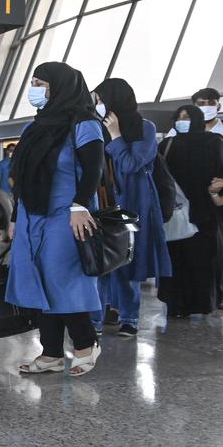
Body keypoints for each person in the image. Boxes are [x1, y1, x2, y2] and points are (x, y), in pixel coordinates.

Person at [6, 62, 103, 377]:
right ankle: (50, 352)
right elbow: (21, 175)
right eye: (32, 82)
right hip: (32, 213)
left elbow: (93, 169)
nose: (34, 89)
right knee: (38, 279)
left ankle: (86, 343)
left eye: (40, 83)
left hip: (67, 212)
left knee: (63, 279)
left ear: (59, 86)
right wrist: (14, 215)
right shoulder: (35, 125)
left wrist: (80, 205)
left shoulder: (84, 123)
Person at [91, 78, 172, 337]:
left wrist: (116, 136)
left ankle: (129, 318)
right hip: (101, 203)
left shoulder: (144, 128)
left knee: (127, 262)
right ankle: (96, 318)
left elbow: (130, 164)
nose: (99, 105)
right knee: (98, 262)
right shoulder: (94, 128)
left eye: (102, 100)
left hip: (133, 205)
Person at [157, 105, 223, 317]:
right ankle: (175, 305)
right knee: (176, 260)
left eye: (187, 117)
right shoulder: (168, 144)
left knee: (202, 262)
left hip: (204, 214)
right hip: (175, 212)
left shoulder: (214, 143)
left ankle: (201, 304)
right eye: (179, 117)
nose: (182, 120)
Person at [0, 143, 16, 240]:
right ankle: (9, 236)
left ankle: (8, 234)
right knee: (10, 213)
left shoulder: (17, 163)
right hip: (3, 192)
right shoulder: (1, 164)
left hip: (14, 193)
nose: (12, 152)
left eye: (14, 151)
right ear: (7, 151)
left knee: (13, 215)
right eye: (11, 150)